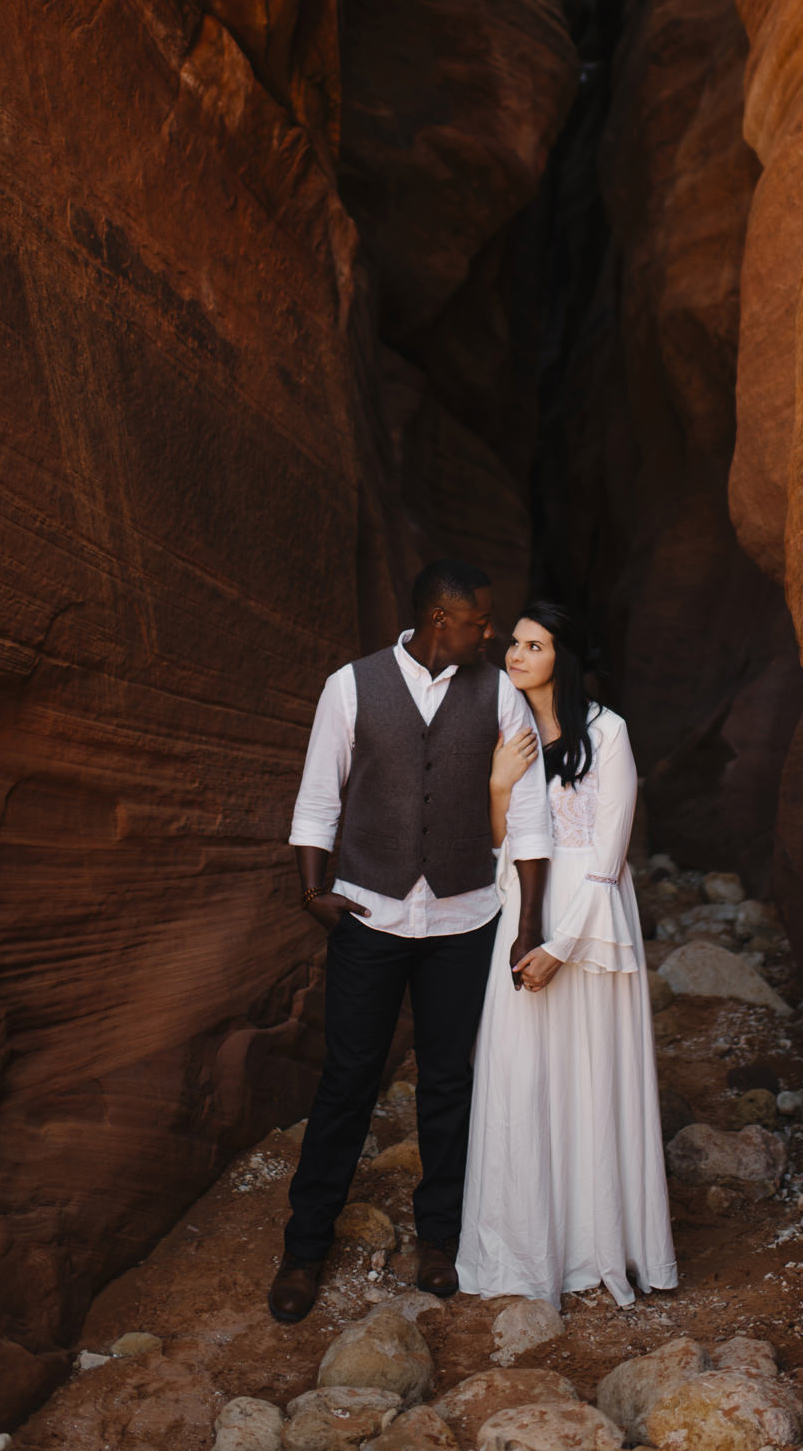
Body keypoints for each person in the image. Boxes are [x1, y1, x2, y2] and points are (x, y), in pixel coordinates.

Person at [270, 559, 553, 1322]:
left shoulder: (497, 692)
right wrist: (314, 893)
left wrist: (527, 921)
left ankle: (441, 1239)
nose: (490, 633)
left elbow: (529, 813)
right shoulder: (351, 686)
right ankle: (304, 1249)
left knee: (449, 1083)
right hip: (369, 916)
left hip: (463, 920)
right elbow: (317, 796)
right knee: (348, 1080)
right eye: (478, 621)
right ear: (439, 620)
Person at [458, 601, 678, 1304]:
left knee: (593, 1075)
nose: (515, 655)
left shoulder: (608, 734)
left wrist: (561, 945)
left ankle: (601, 1246)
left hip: (589, 922)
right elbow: (497, 840)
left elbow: (608, 857)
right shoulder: (507, 730)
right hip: (521, 907)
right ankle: (526, 1251)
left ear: (565, 656)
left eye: (533, 645)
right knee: (521, 1076)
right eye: (514, 645)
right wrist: (497, 781)